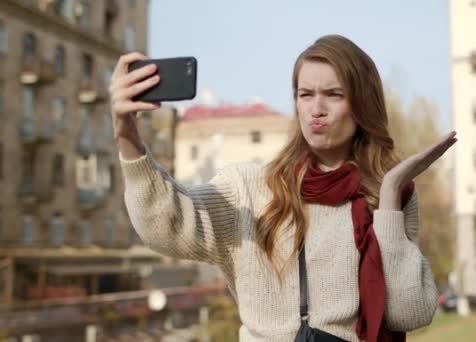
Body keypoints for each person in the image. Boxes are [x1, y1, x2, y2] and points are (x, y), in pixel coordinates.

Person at [110, 34, 457, 342]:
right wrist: (127, 136)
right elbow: (166, 226)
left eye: (333, 95)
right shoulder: (250, 187)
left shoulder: (391, 197)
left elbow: (411, 313)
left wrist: (391, 194)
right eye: (305, 94)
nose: (316, 110)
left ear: (362, 104)